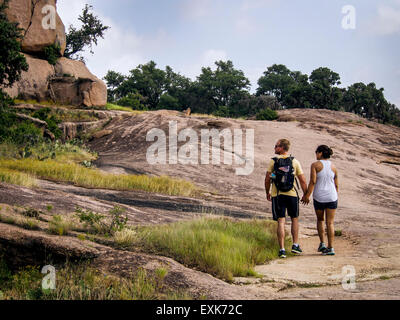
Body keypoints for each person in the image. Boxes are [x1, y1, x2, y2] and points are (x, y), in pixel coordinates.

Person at [265, 139, 308, 258]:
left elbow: (267, 179)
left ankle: (282, 249)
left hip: (277, 195)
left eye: (276, 146)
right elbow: (302, 180)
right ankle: (295, 245)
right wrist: (306, 195)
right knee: (294, 219)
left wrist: (267, 192)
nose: (274, 149)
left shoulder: (273, 161)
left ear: (282, 147)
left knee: (281, 221)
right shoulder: (295, 161)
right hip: (292, 194)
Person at [302, 145, 338, 256]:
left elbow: (313, 181)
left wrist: (307, 196)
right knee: (330, 223)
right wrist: (335, 196)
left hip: (319, 197)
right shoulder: (334, 166)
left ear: (320, 153)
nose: (316, 154)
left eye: (316, 152)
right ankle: (331, 248)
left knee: (320, 220)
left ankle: (322, 243)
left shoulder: (315, 165)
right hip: (332, 196)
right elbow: (336, 185)